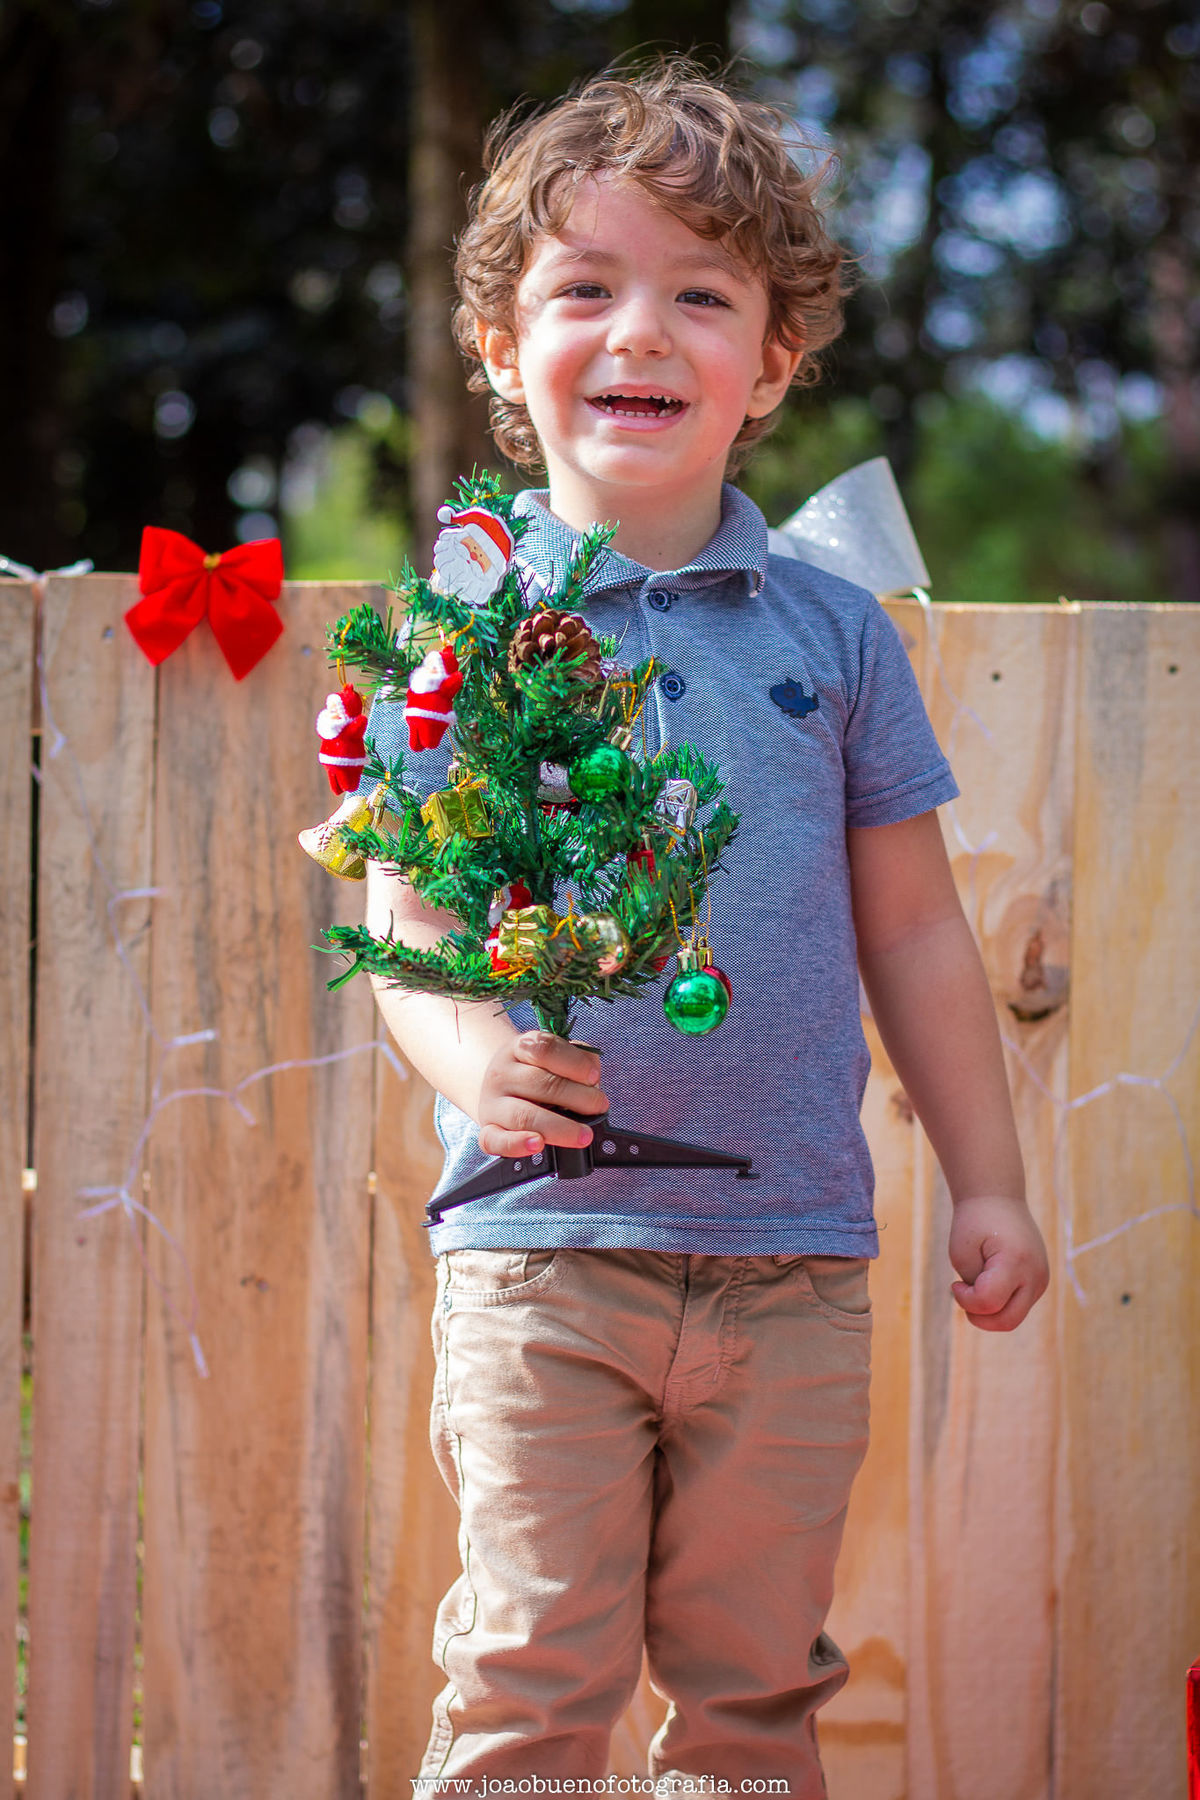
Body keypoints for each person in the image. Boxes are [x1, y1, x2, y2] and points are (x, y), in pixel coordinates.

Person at [357, 59, 1049, 1796]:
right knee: (529, 1676)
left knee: (754, 1701)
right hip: (545, 1259)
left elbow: (916, 937)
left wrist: (987, 1180)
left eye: (700, 294)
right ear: (506, 351)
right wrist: (473, 1053)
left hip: (797, 1261)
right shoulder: (465, 632)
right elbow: (407, 911)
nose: (640, 331)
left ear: (774, 366)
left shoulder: (836, 637)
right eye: (585, 287)